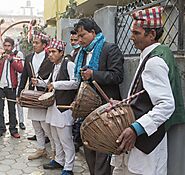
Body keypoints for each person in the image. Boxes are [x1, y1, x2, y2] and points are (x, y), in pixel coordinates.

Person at [111, 6, 185, 175]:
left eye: (136, 33)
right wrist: (124, 104)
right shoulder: (152, 55)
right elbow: (146, 96)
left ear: (151, 34)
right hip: (147, 138)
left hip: (147, 140)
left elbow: (166, 105)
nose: (131, 37)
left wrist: (135, 128)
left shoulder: (154, 62)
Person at [74, 18, 124, 175]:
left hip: (106, 110)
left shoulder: (110, 49)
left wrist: (93, 74)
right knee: (89, 148)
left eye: (82, 36)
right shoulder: (81, 54)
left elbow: (117, 76)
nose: (79, 40)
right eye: (78, 36)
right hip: (88, 111)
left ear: (93, 32)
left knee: (103, 151)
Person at [32, 38, 79, 175]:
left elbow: (75, 83)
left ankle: (69, 167)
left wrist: (57, 85)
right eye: (49, 52)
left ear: (61, 52)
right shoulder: (55, 66)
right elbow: (49, 83)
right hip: (53, 107)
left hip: (64, 108)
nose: (50, 55)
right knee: (54, 137)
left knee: (66, 139)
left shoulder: (69, 64)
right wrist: (39, 82)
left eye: (53, 52)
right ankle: (59, 160)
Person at [17, 32, 55, 160]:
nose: (34, 45)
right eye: (33, 42)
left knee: (46, 126)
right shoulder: (28, 58)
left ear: (44, 45)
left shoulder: (50, 58)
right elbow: (24, 77)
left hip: (44, 95)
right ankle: (41, 149)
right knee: (36, 124)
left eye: (36, 43)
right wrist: (19, 93)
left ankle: (55, 151)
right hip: (31, 95)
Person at [0, 37, 23, 138]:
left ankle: (13, 130)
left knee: (12, 109)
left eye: (9, 46)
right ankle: (1, 128)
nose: (7, 48)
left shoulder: (16, 56)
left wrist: (11, 60)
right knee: (0, 109)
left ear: (12, 47)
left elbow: (21, 69)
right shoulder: (1, 57)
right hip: (1, 87)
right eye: (5, 45)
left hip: (11, 87)